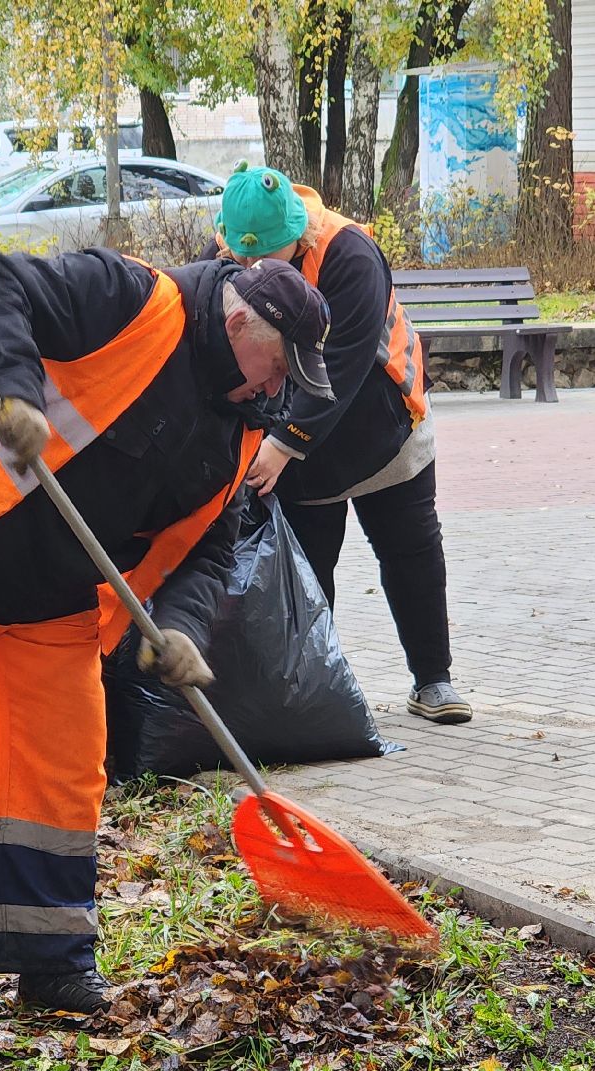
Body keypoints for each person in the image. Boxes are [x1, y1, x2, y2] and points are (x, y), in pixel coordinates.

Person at [0, 247, 333, 1041]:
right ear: (238, 323)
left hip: (54, 595)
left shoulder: (235, 432)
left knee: (58, 772)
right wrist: (16, 396)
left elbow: (207, 551)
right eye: (277, 365)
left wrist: (184, 632)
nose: (279, 387)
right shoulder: (133, 299)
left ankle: (50, 956)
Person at [204, 165, 470, 724]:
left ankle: (433, 680)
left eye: (272, 259)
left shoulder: (348, 253)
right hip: (300, 448)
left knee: (410, 551)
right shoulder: (227, 249)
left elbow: (343, 367)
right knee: (305, 569)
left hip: (384, 422)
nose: (257, 272)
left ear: (298, 233)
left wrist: (284, 442)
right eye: (247, 261)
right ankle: (315, 690)